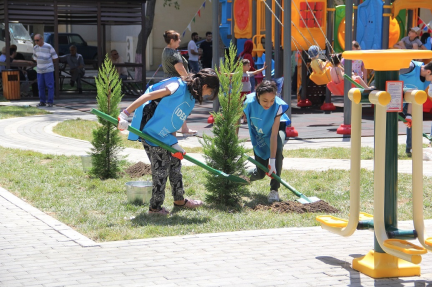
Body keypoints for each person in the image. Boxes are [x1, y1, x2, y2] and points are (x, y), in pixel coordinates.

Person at [117, 69, 219, 215]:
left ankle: (179, 201)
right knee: (161, 168)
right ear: (205, 86)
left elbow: (173, 121)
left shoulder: (190, 98)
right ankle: (155, 208)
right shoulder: (177, 86)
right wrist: (125, 114)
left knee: (175, 163)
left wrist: (174, 143)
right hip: (151, 129)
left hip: (164, 134)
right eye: (210, 91)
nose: (209, 94)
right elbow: (148, 96)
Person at [242, 80, 290, 203]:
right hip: (259, 133)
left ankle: (274, 190)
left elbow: (274, 135)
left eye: (272, 100)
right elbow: (237, 119)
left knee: (278, 150)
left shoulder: (278, 106)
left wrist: (273, 162)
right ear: (258, 95)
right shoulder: (248, 102)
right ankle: (241, 175)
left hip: (275, 130)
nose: (268, 104)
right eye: (265, 100)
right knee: (260, 173)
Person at [161, 30, 196, 135]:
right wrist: (189, 79)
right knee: (179, 106)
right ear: (172, 40)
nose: (180, 41)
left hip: (168, 81)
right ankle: (173, 130)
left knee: (178, 106)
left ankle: (184, 128)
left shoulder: (165, 51)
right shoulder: (173, 53)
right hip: (176, 83)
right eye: (178, 39)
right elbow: (180, 69)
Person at [399, 61, 432, 157]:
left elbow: (414, 95)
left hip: (409, 101)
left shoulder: (427, 80)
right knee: (389, 123)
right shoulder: (410, 67)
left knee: (415, 121)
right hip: (392, 96)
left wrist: (409, 115)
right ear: (429, 72)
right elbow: (388, 72)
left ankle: (410, 149)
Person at [33, 34, 58, 107]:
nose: (36, 42)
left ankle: (50, 102)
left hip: (48, 70)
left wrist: (49, 64)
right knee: (40, 86)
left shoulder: (48, 46)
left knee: (50, 86)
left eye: (37, 40)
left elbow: (55, 57)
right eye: (35, 40)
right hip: (39, 70)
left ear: (41, 39)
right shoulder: (35, 48)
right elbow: (35, 58)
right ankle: (42, 101)